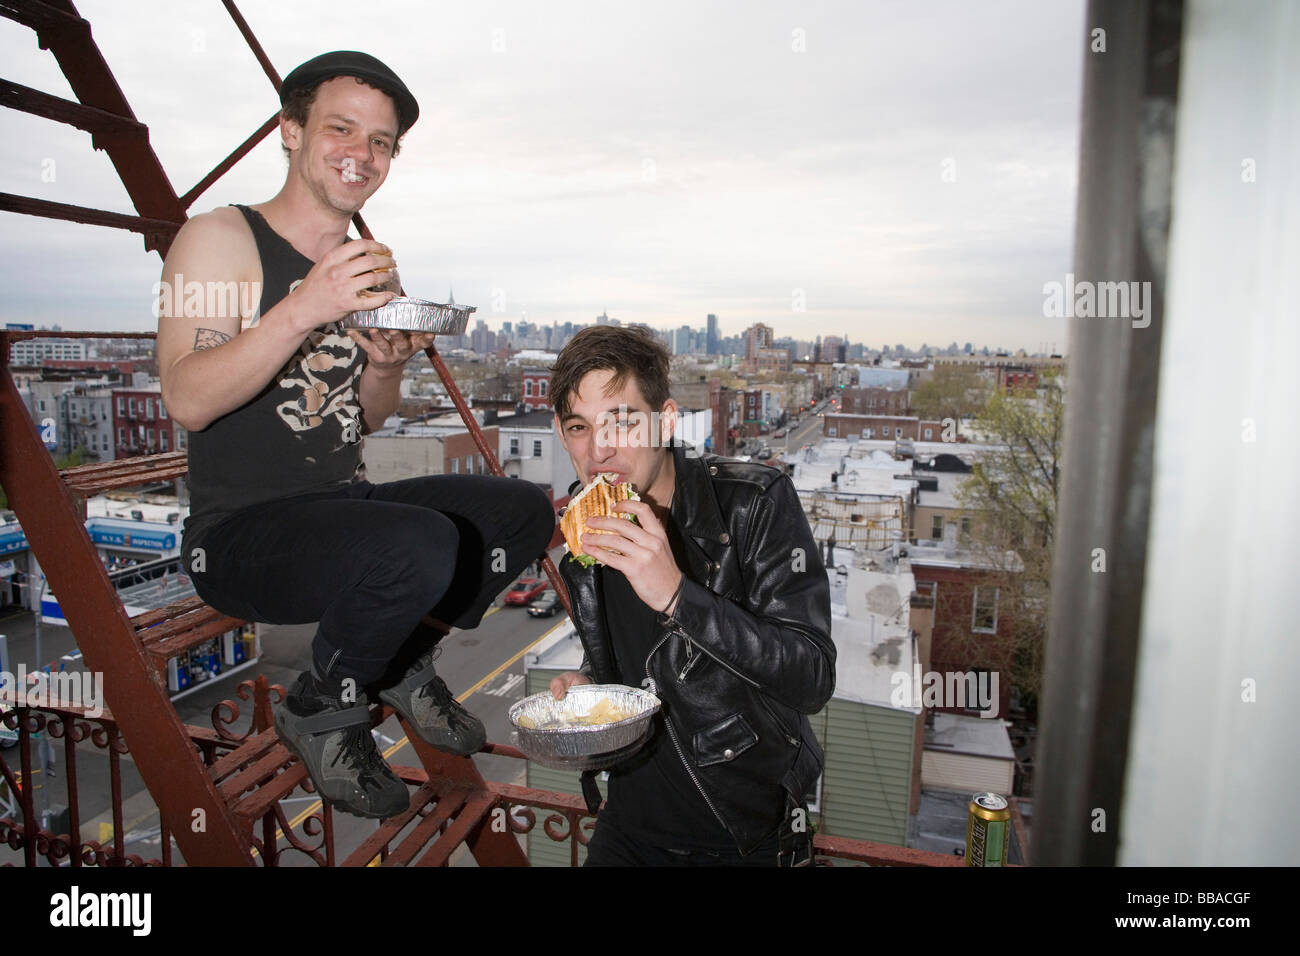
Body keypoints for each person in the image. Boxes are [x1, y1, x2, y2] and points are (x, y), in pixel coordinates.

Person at [156, 51, 555, 819]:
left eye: (381, 142)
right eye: (341, 128)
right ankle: (319, 707)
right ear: (290, 131)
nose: (362, 154)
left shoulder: (366, 271)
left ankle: (400, 661)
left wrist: (382, 366)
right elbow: (187, 398)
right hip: (238, 537)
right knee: (418, 546)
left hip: (341, 507)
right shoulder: (219, 238)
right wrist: (305, 306)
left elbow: (362, 419)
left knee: (520, 511)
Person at [548, 326, 835, 866]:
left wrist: (678, 595)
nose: (600, 449)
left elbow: (811, 676)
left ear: (667, 420)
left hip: (740, 836)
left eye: (622, 420)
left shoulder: (753, 503)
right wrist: (592, 683)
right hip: (626, 823)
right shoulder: (588, 543)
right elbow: (641, 659)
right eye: (579, 427)